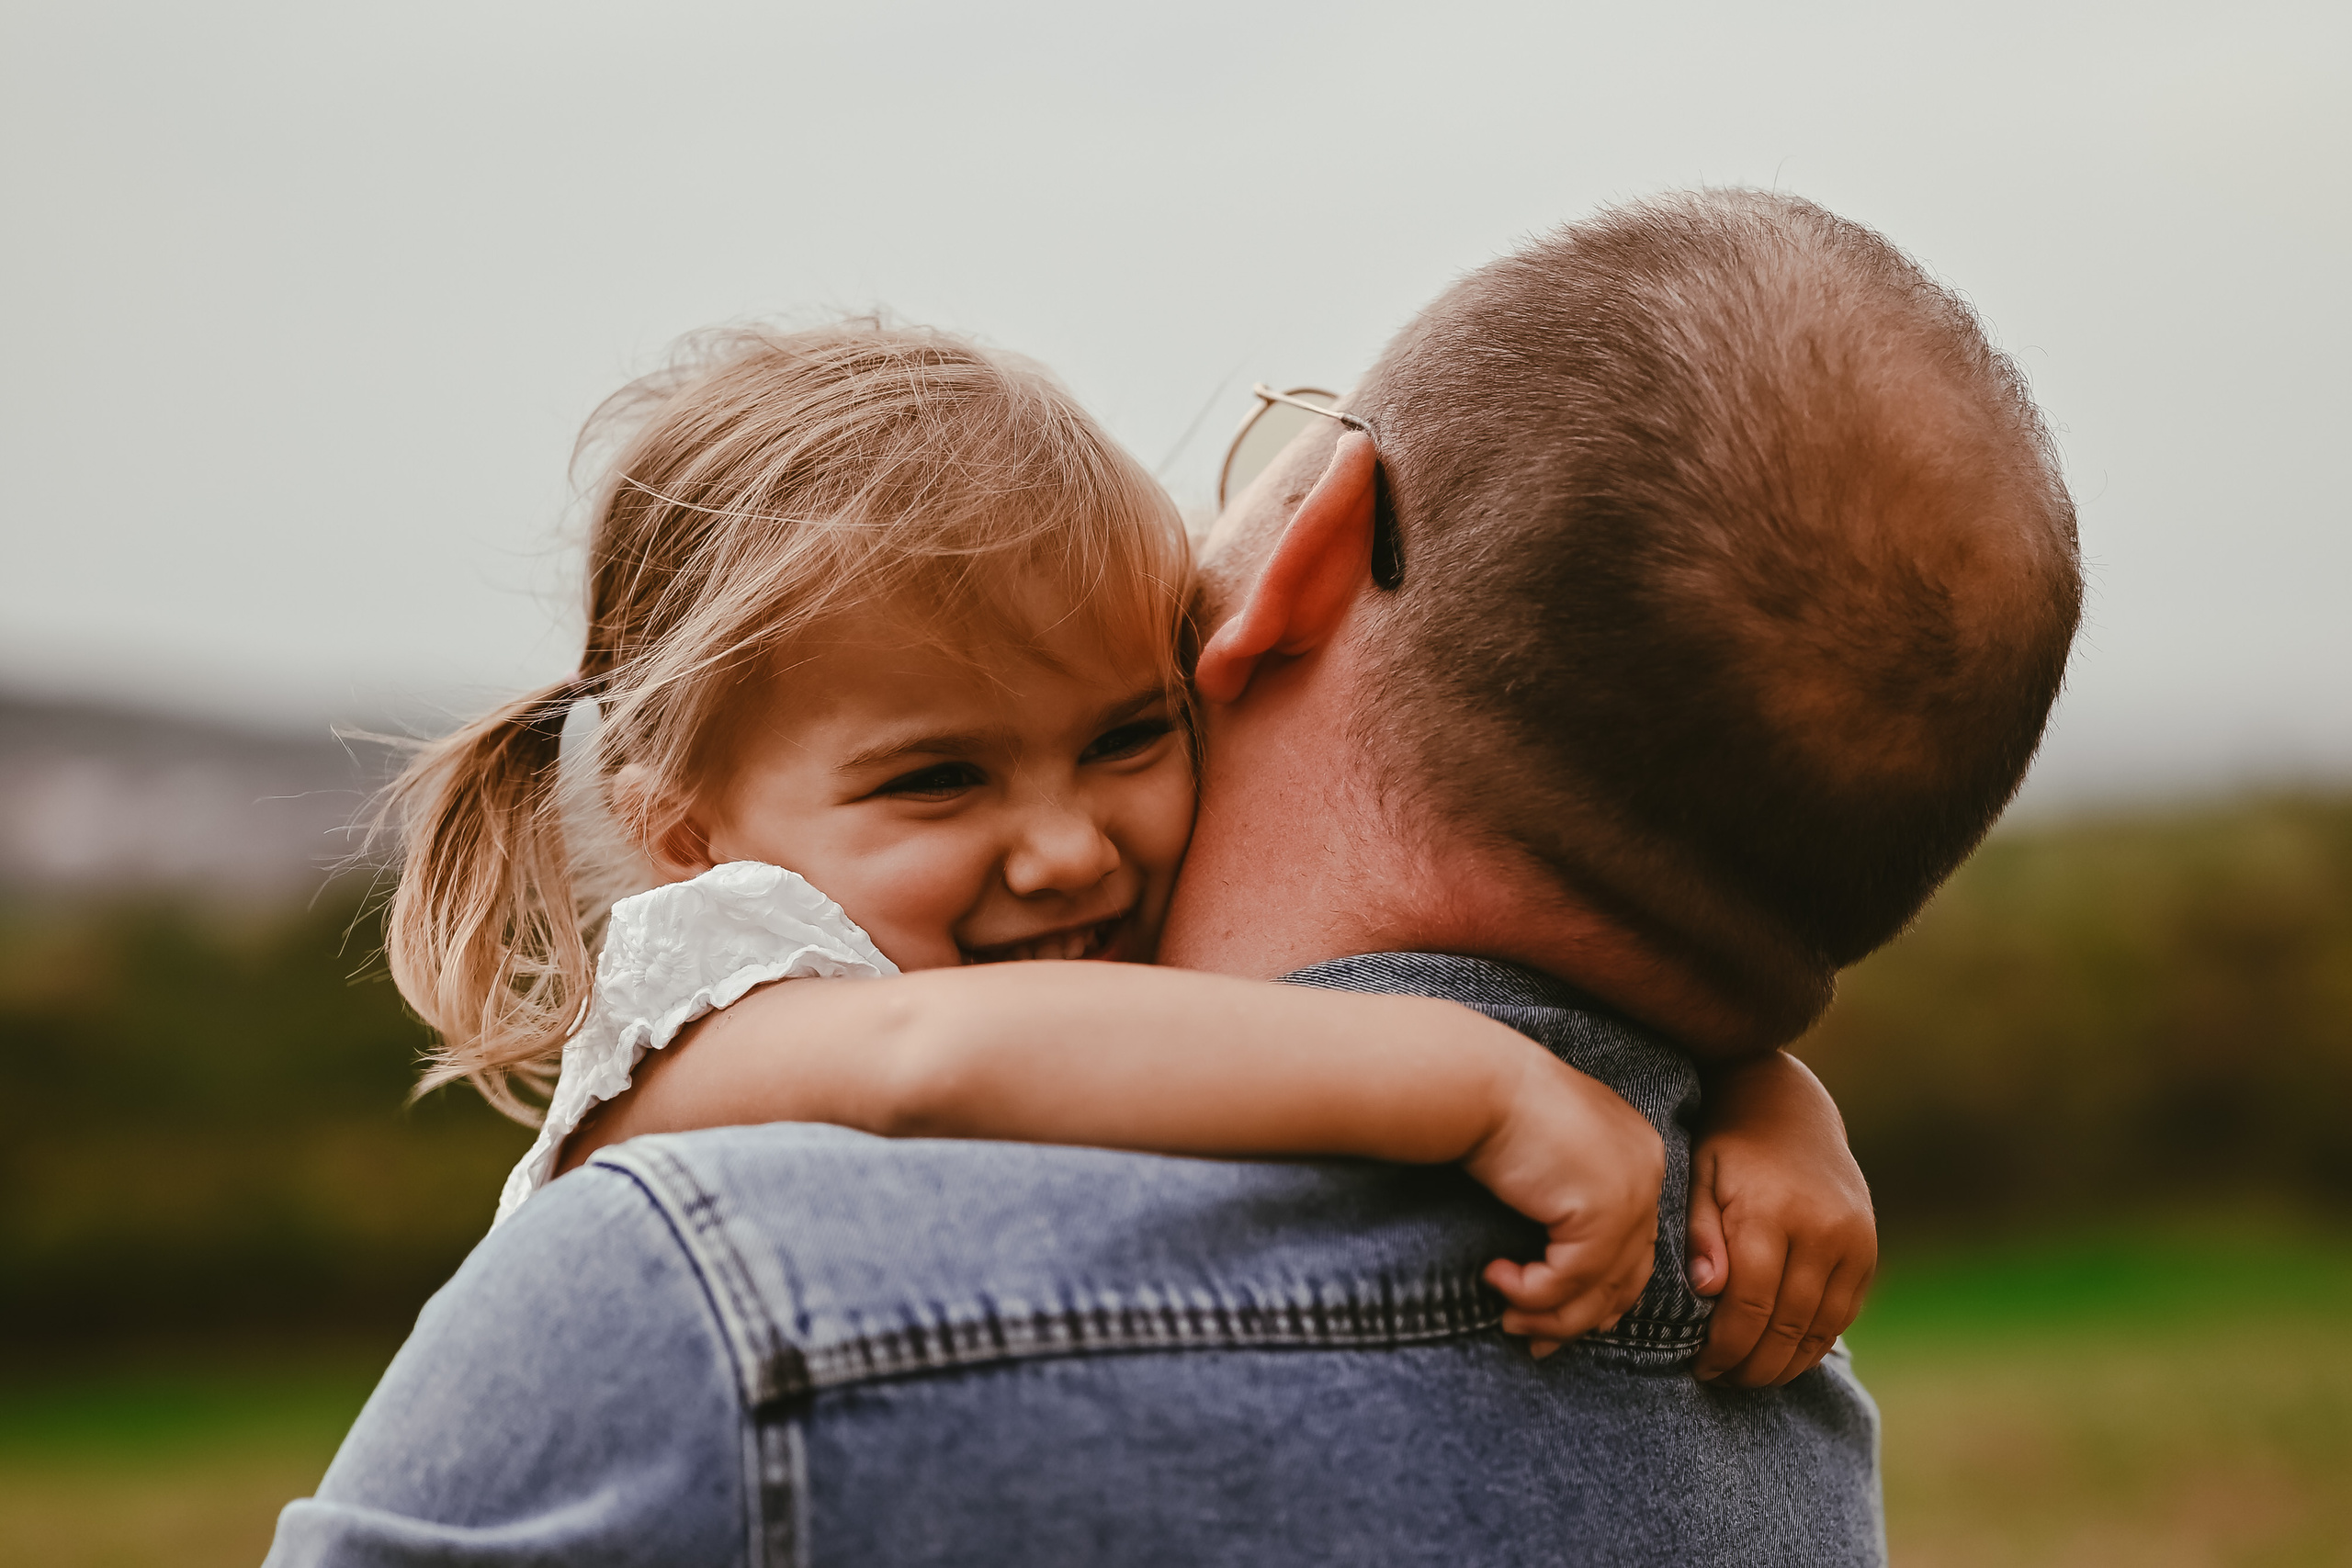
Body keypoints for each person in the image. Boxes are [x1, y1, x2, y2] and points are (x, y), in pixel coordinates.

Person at [269, 187, 2080, 1565]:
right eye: (932, 774)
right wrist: (1620, 1072)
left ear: (1287, 562)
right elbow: (921, 1067)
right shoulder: (1767, 1389)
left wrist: (1758, 1090)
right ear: (680, 816)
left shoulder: (715, 1313)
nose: (1063, 847)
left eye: (1125, 727)